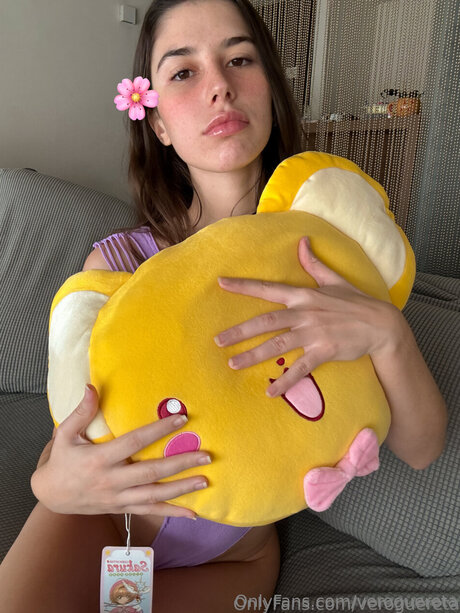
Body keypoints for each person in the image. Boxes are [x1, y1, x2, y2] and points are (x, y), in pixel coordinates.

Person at [0, 1, 447, 611]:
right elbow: (73, 429)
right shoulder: (119, 269)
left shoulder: (325, 252)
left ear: (271, 91)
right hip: (106, 521)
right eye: (184, 72)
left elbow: (422, 448)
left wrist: (388, 334)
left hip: (238, 555)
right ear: (157, 120)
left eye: (239, 60)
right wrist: (48, 482)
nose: (219, 87)